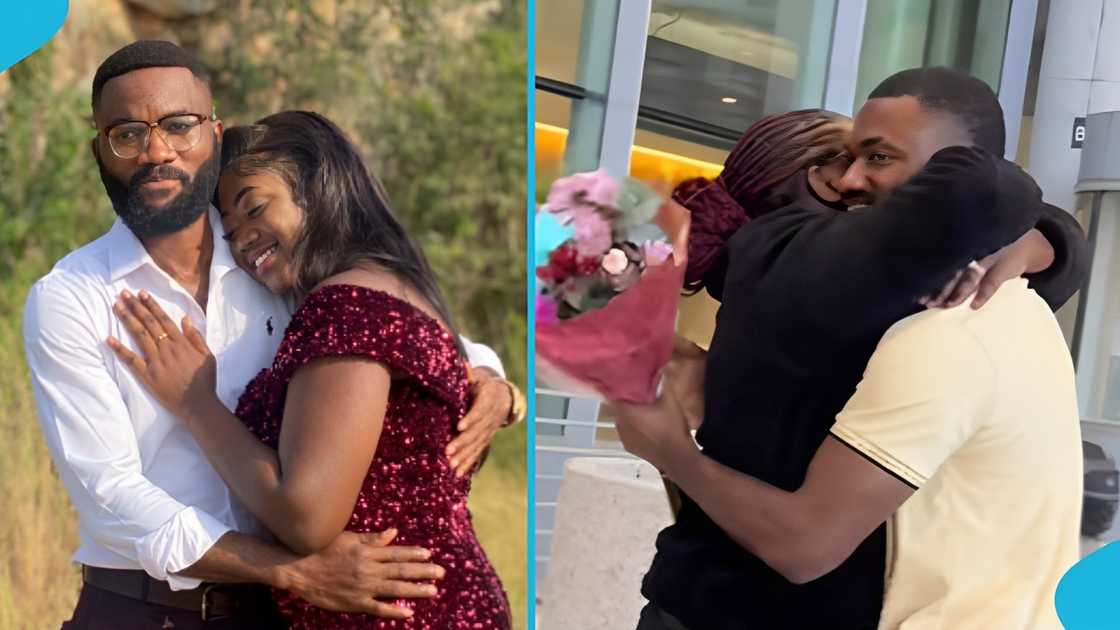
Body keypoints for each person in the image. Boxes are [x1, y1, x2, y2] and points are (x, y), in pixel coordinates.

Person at [23, 40, 521, 628]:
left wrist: (495, 383)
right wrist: (286, 569)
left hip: (285, 614)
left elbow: (390, 327)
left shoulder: (274, 252)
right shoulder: (72, 297)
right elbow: (109, 495)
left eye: (179, 126)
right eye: (127, 134)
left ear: (214, 131)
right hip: (144, 609)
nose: (156, 150)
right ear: (99, 150)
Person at [616, 67, 1086, 629]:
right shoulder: (795, 258)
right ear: (785, 194)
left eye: (875, 157)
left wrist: (1038, 241)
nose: (850, 182)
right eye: (837, 163)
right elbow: (981, 193)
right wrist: (1039, 234)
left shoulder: (889, 300)